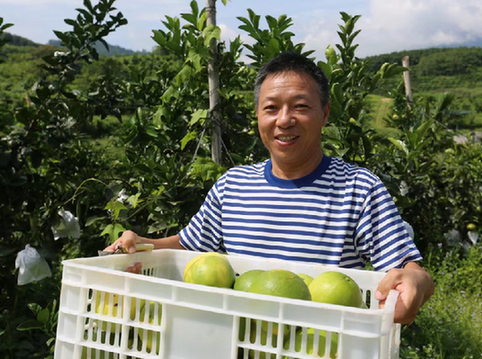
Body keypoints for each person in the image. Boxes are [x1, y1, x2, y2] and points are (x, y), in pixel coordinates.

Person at [105, 52, 434, 324]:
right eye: (271, 108)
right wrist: (141, 243)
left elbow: (406, 267)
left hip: (319, 343)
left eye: (301, 107)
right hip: (235, 339)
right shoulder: (232, 186)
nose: (284, 119)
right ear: (258, 116)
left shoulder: (358, 189)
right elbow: (187, 246)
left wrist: (417, 279)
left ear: (325, 113)